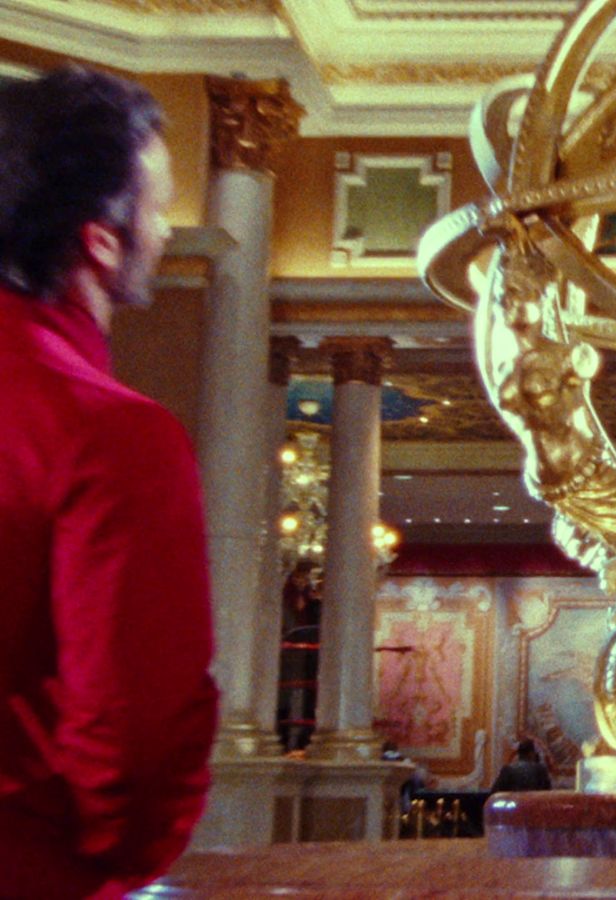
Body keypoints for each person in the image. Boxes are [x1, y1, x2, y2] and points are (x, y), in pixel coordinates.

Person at [0, 66, 218, 897]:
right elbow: (137, 743)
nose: (164, 232)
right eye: (157, 206)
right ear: (99, 238)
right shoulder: (109, 433)